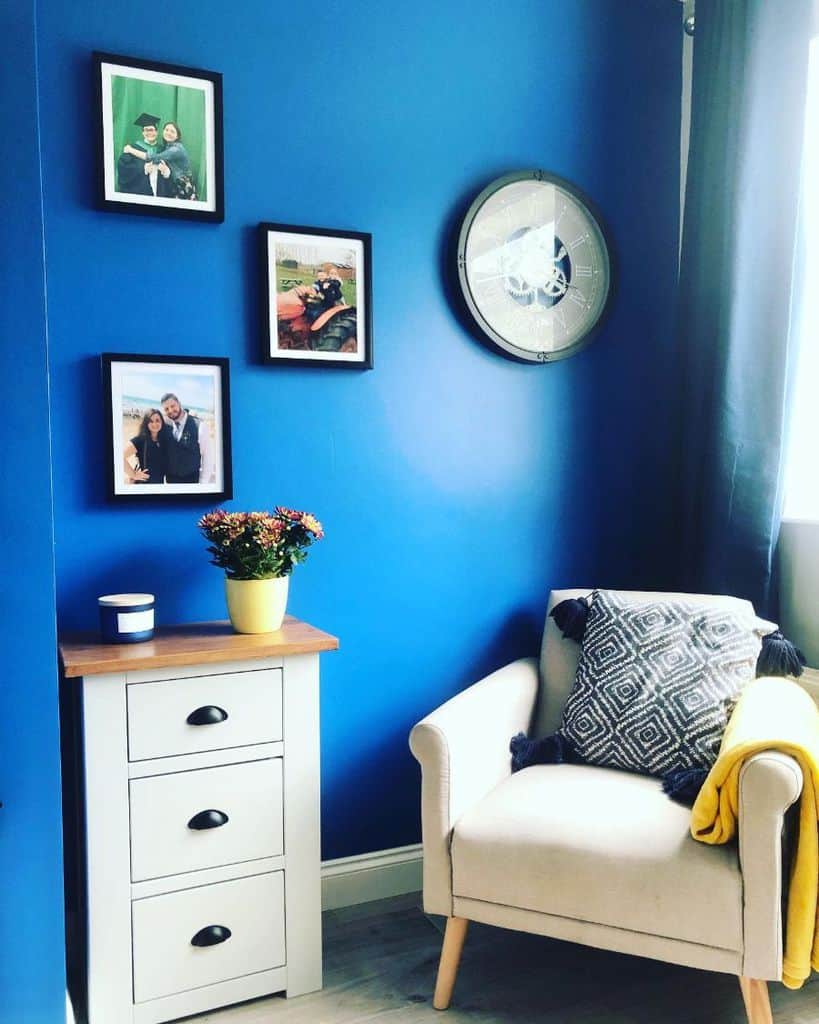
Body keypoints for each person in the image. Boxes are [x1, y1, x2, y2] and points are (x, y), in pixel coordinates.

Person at [161, 392, 214, 484]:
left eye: (173, 406)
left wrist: (203, 482)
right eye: (166, 409)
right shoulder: (165, 426)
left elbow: (207, 457)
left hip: (191, 481)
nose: (170, 410)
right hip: (170, 481)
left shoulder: (200, 426)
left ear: (179, 403)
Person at [151, 121, 197, 200]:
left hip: (183, 186)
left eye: (172, 131)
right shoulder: (167, 147)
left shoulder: (176, 149)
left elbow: (156, 158)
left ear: (177, 136)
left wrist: (132, 151)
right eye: (166, 130)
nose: (168, 133)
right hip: (175, 185)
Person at [117, 112, 160, 196]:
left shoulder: (162, 149)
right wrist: (142, 168)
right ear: (142, 133)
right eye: (146, 130)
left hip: (159, 192)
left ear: (157, 132)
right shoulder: (133, 148)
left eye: (151, 130)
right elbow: (123, 167)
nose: (149, 133)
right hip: (141, 191)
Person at [123, 409, 169, 484]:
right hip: (144, 484)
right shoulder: (140, 440)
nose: (154, 424)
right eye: (151, 421)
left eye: (157, 420)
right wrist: (133, 474)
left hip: (159, 484)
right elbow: (119, 456)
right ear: (146, 423)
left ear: (162, 422)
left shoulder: (163, 441)